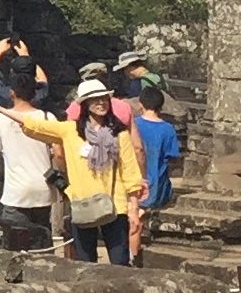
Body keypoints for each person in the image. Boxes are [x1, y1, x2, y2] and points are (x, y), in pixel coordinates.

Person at [14, 77, 145, 264]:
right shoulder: (71, 131)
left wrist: (134, 209)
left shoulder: (120, 134)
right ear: (85, 104)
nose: (101, 103)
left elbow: (130, 173)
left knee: (119, 262)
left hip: (115, 205)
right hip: (83, 203)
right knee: (85, 262)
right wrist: (0, 109)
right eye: (95, 99)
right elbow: (35, 125)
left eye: (103, 98)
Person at [0, 88, 59, 256]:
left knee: (14, 249)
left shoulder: (0, 120)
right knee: (43, 246)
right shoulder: (48, 117)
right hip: (44, 189)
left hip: (16, 192)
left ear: (12, 93)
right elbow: (59, 153)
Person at [130, 77, 183, 258]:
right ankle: (135, 253)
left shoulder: (134, 125)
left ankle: (133, 255)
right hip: (157, 183)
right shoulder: (167, 129)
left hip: (133, 180)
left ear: (140, 104)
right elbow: (173, 158)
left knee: (134, 217)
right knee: (139, 216)